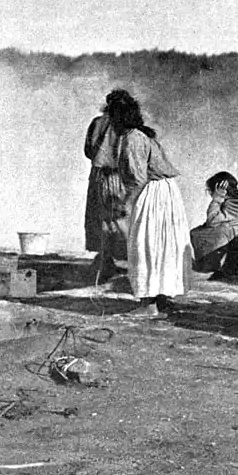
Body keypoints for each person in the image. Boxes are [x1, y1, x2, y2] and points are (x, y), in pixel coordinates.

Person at [114, 95, 193, 318]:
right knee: (162, 246)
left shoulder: (133, 138)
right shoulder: (144, 135)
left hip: (153, 194)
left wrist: (127, 204)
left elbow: (138, 178)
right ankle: (162, 300)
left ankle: (150, 303)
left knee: (146, 245)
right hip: (166, 192)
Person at [83, 89, 130, 276]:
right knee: (117, 216)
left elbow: (88, 151)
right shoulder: (125, 124)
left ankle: (105, 258)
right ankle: (109, 261)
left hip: (98, 176)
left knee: (100, 215)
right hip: (117, 176)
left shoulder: (96, 123)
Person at [190, 171, 238, 280]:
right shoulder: (236, 199)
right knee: (198, 232)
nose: (209, 193)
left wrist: (217, 199)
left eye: (210, 190)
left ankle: (208, 265)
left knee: (203, 233)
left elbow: (213, 221)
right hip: (234, 240)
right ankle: (207, 263)